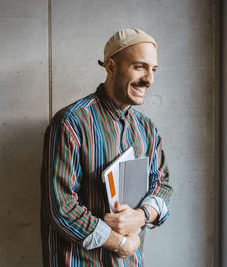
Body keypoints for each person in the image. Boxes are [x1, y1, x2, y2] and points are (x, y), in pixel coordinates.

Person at [40, 28, 173, 266]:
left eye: (153, 69)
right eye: (139, 66)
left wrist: (140, 216)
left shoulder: (147, 128)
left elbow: (162, 185)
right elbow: (60, 207)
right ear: (111, 67)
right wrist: (120, 242)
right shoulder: (71, 122)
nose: (149, 79)